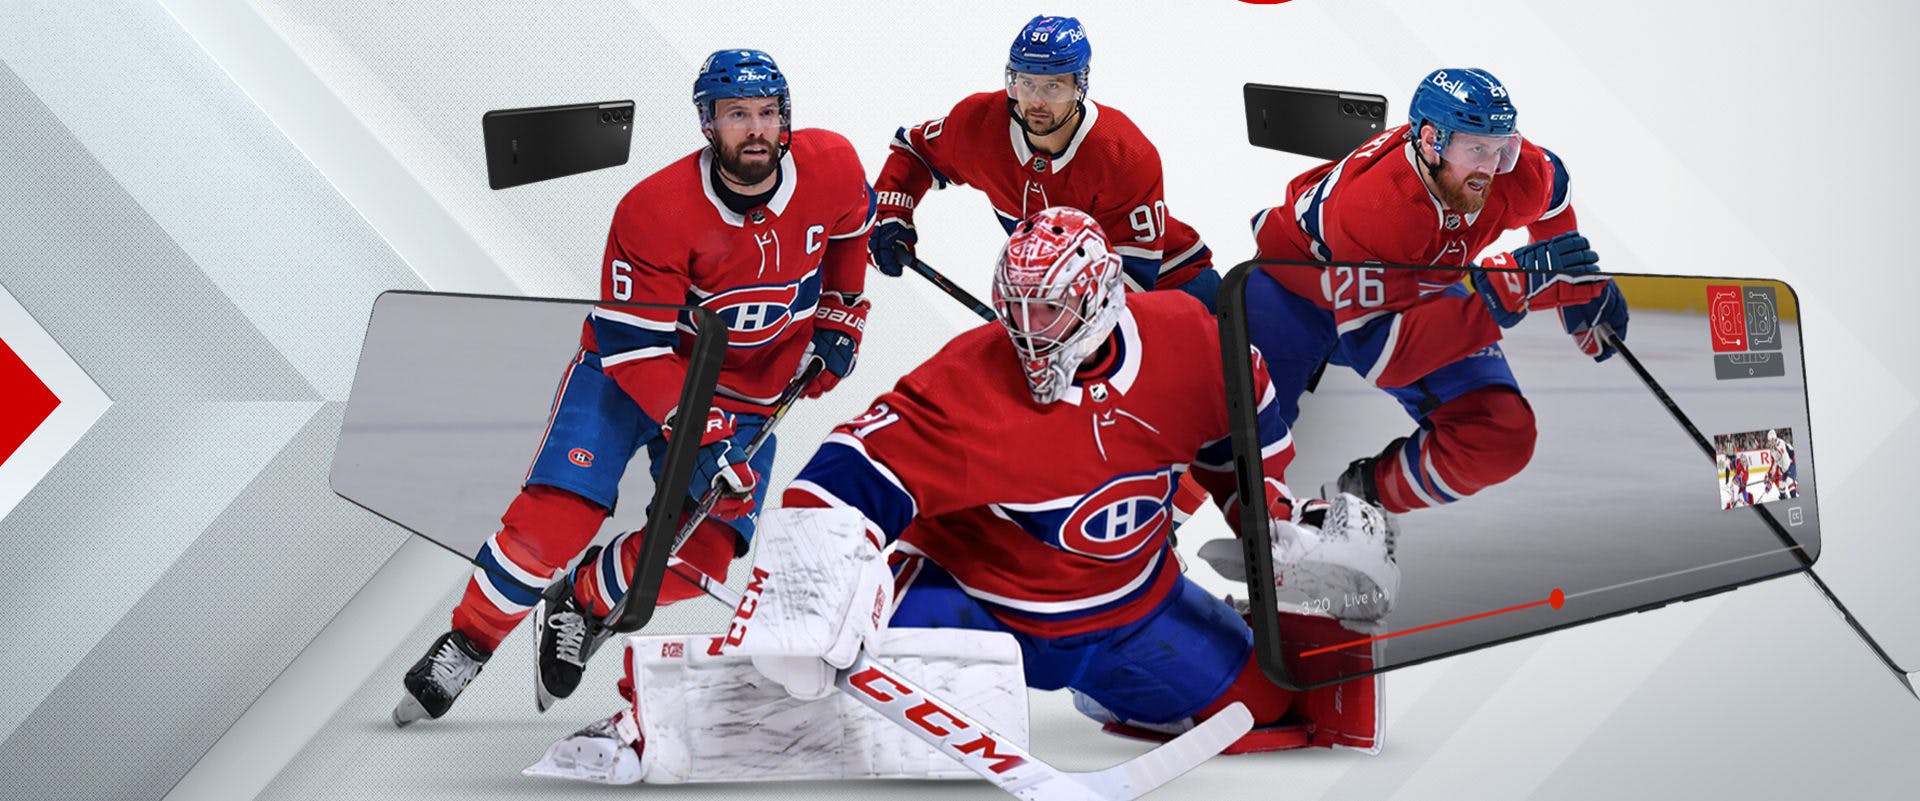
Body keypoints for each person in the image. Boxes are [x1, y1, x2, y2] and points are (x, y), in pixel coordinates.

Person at [624, 209, 1397, 768]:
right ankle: (650, 722)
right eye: (1016, 306)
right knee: (808, 711)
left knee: (1269, 707)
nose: (1029, 330)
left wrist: (1275, 525)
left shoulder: (1191, 339)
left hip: (1133, 606)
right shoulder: (966, 384)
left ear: (1100, 298)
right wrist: (809, 585)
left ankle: (1108, 691)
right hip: (980, 610)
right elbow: (839, 480)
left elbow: (1241, 444)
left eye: (1050, 308)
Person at [394, 48, 876, 725]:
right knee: (552, 523)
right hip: (629, 374)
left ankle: (584, 600)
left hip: (746, 393)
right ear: (708, 123)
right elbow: (637, 347)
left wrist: (843, 310)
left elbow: (853, 228)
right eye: (738, 114)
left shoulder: (832, 166)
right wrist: (699, 434)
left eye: (768, 112)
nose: (757, 129)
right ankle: (469, 640)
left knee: (699, 554)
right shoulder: (655, 209)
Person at [1247, 67, 1631, 515]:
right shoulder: (1377, 206)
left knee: (1499, 435)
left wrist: (1574, 284)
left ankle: (1355, 504)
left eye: (1501, 149)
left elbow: (1555, 194)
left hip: (1417, 284)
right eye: (1475, 149)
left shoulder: (1513, 172)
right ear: (1430, 141)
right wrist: (1509, 292)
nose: (1490, 169)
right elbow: (1379, 355)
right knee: (1236, 454)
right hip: (1297, 288)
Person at [870, 15, 1220, 310]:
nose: (1036, 101)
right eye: (1026, 83)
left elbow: (1130, 283)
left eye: (1053, 86)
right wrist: (891, 213)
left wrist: (1053, 330)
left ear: (1080, 84)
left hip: (1174, 286)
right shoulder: (979, 125)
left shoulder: (1123, 155)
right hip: (1067, 305)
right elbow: (914, 151)